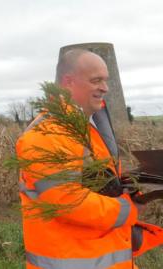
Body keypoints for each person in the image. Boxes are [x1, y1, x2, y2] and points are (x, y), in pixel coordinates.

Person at [16, 49, 163, 268]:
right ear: (68, 82)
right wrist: (128, 209)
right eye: (96, 80)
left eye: (105, 80)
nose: (105, 87)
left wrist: (136, 188)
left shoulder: (89, 128)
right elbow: (68, 202)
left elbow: (102, 182)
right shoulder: (48, 134)